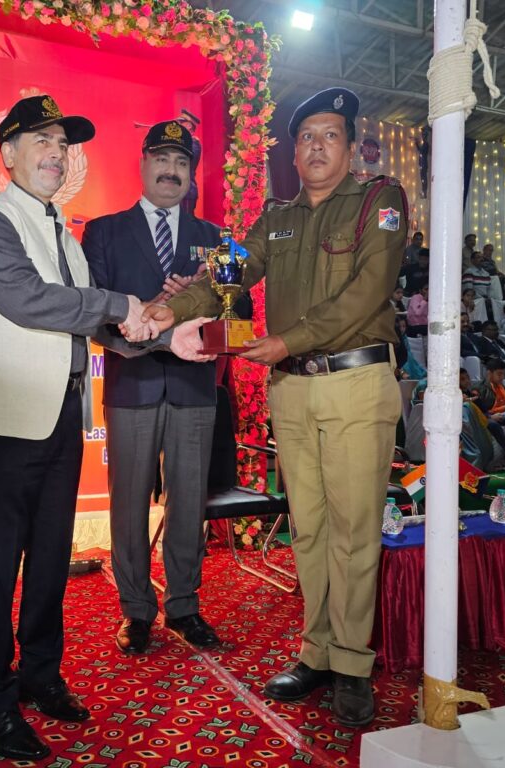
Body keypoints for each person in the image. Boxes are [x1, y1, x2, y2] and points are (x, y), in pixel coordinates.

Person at [140, 87, 405, 728]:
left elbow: (368, 291)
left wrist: (288, 339)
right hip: (291, 388)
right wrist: (170, 308)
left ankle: (352, 664)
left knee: (353, 532)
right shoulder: (275, 218)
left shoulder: (379, 201)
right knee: (308, 529)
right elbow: (228, 269)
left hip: (353, 382)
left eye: (330, 135)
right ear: (292, 151)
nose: (316, 147)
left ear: (351, 145)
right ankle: (317, 653)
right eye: (306, 136)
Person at [0, 94, 164, 761]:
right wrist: (123, 303)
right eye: (41, 140)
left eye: (63, 144)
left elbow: (90, 322)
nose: (56, 154)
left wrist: (157, 335)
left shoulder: (66, 233)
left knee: (49, 560)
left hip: (62, 413)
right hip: (2, 420)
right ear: (7, 152)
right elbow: (26, 298)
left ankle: (40, 676)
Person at [82, 120, 222, 656]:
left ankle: (184, 606)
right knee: (128, 502)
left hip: (194, 386)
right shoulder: (104, 232)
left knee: (189, 502)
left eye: (182, 163)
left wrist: (193, 301)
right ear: (142, 165)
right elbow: (94, 313)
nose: (171, 171)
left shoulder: (214, 239)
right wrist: (152, 324)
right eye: (161, 160)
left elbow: (238, 310)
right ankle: (136, 610)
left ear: (191, 175)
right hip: (132, 382)